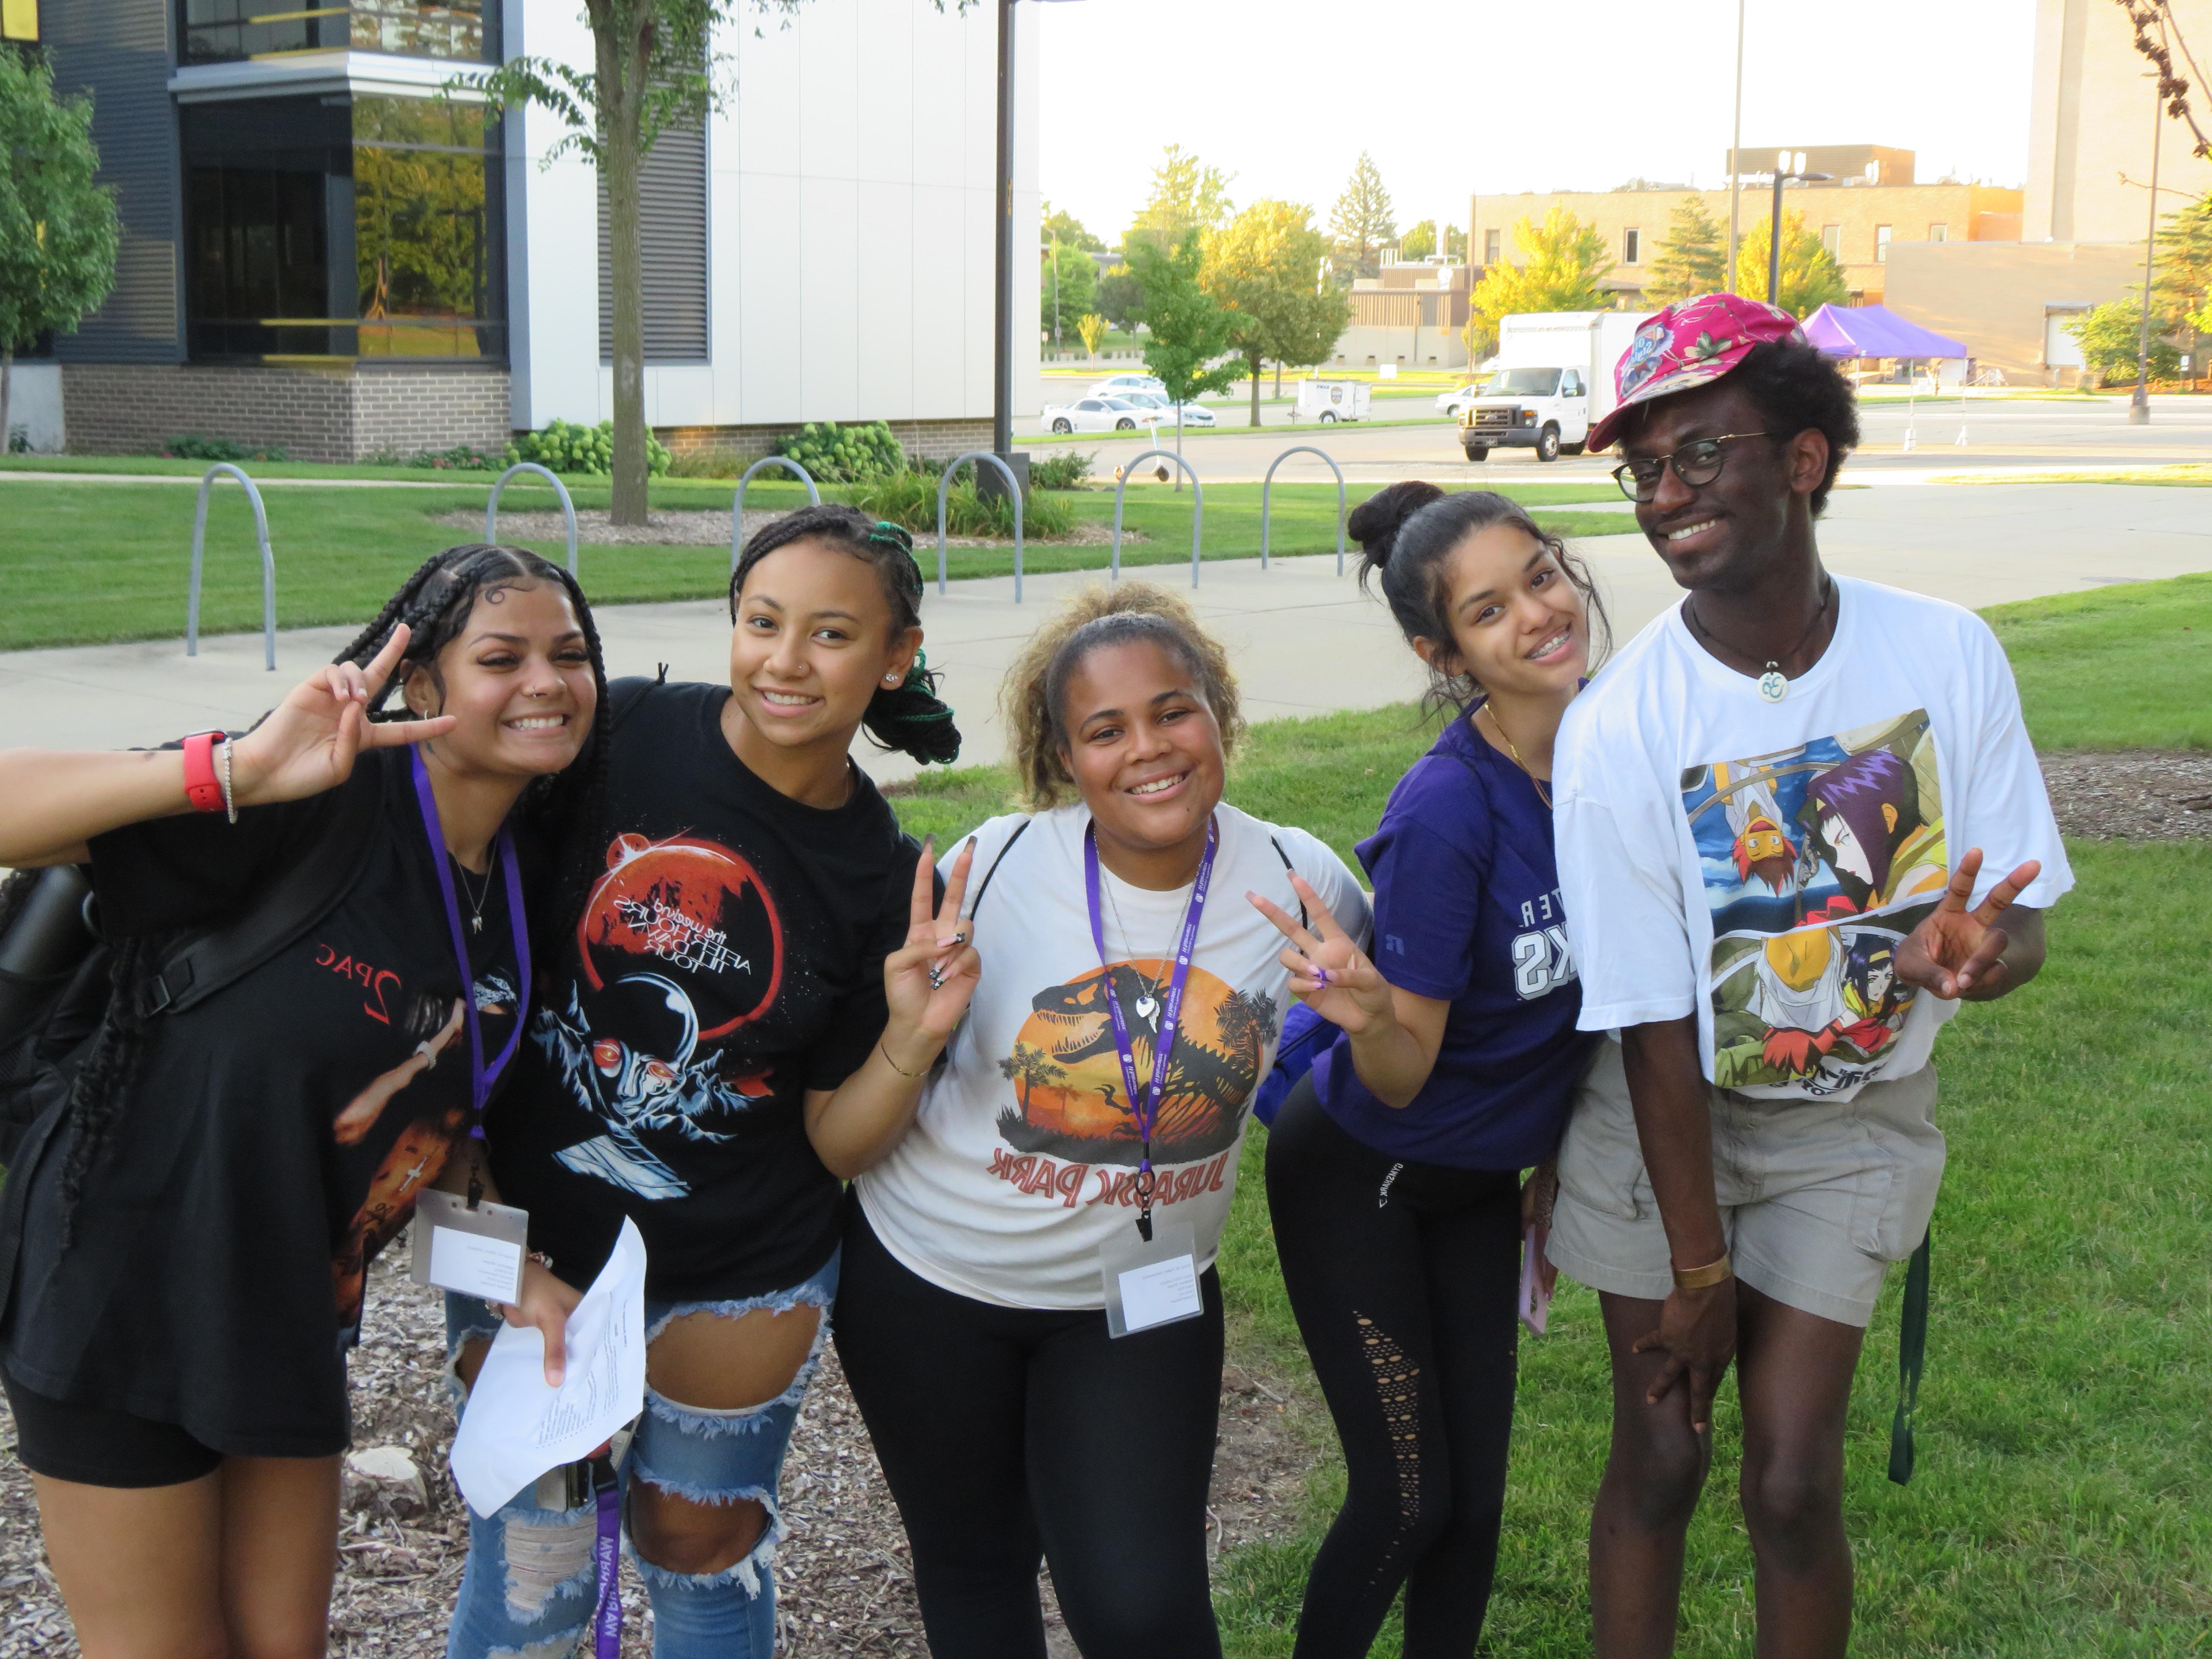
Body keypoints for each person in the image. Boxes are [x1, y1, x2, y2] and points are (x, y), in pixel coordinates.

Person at [1547, 294, 2072, 1656]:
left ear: (1804, 459)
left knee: (1790, 1481)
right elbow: (1655, 1021)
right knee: (1661, 1454)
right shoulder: (1618, 729)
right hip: (1664, 1121)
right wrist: (1697, 1267)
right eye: (1645, 470)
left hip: (1850, 1125)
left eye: (1702, 456)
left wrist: (1980, 960)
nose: (1667, 499)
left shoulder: (1945, 653)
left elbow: (2017, 924)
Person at [0, 545, 603, 1657]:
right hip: (129, 1284)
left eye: (570, 655)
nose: (546, 682)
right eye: (502, 657)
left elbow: (417, 1143)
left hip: (288, 1313)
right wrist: (233, 767)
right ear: (420, 683)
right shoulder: (313, 793)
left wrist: (516, 1274)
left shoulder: (517, 881)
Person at [442, 506, 979, 1659]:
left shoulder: (883, 876)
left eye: (831, 635)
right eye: (762, 623)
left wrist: (911, 1038)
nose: (786, 662)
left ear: (896, 654)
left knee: (697, 1544)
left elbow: (838, 1142)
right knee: (535, 1561)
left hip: (740, 1272)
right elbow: (454, 894)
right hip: (521, 1231)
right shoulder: (619, 731)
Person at [838, 584, 1371, 1659]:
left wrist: (1384, 1015)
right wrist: (913, 1029)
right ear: (1064, 756)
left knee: (1144, 1613)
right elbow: (850, 1129)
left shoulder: (1299, 879)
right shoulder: (988, 869)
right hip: (930, 1285)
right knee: (975, 1572)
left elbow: (1395, 1065)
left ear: (1218, 710)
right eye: (1105, 729)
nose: (1149, 750)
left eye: (1174, 710)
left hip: (1140, 1302)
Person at [1248, 483, 1607, 1658]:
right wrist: (1362, 1013)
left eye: (1542, 577)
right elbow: (1402, 1076)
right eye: (1491, 610)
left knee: (1475, 1508)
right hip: (1366, 1173)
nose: (1540, 616)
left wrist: (1555, 1161)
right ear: (1443, 655)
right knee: (1407, 1499)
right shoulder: (1451, 809)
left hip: (1475, 1186)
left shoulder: (1615, 756)